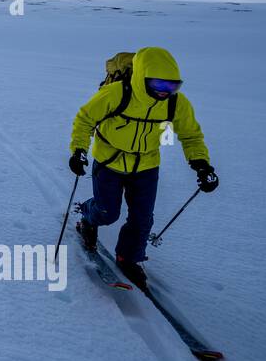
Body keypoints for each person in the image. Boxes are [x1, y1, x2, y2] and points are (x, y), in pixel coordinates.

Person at [67, 46, 218, 290]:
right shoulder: (116, 93)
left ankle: (129, 257)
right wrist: (78, 151)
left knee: (142, 218)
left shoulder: (175, 104)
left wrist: (201, 165)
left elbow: (191, 135)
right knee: (107, 212)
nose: (165, 92)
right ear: (142, 78)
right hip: (109, 162)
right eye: (160, 85)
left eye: (172, 86)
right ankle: (88, 217)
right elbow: (85, 119)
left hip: (147, 166)